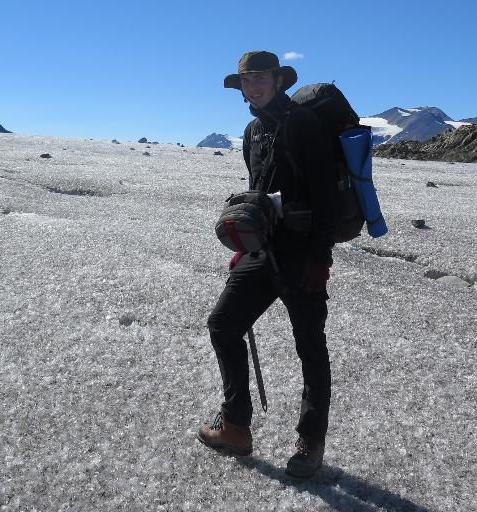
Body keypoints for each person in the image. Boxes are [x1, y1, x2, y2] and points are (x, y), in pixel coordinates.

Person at [197, 51, 339, 479]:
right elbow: (257, 192)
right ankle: (236, 424)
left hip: (302, 255)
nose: (253, 86)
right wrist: (245, 244)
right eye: (246, 81)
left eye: (260, 78)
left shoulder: (304, 124)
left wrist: (320, 259)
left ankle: (310, 442)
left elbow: (326, 198)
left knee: (310, 347)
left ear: (279, 80)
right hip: (262, 252)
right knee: (223, 324)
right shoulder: (252, 130)